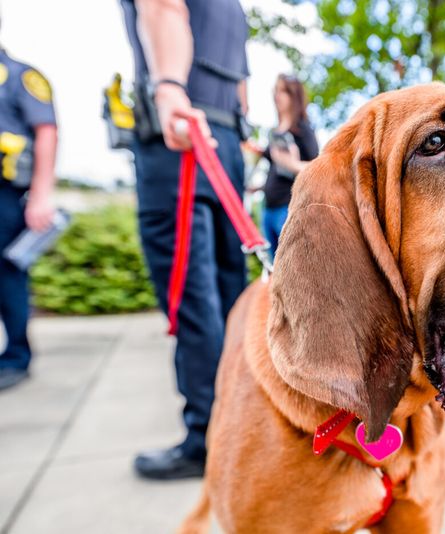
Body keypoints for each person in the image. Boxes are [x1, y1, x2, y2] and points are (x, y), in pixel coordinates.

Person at [120, 0, 250, 479]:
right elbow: (242, 88)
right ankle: (244, 426)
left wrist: (169, 87)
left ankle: (208, 441)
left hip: (180, 138)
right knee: (231, 298)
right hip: (226, 141)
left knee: (193, 301)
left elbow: (162, 6)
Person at [0, 35, 57, 392]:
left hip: (6, 192)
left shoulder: (21, 75)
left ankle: (16, 357)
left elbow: (46, 132)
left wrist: (41, 195)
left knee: (8, 275)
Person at [261, 74, 318, 254]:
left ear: (294, 96)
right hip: (267, 210)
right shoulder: (275, 132)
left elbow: (316, 169)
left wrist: (292, 164)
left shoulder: (303, 130)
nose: (277, 95)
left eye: (283, 91)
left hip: (288, 209)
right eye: (276, 90)